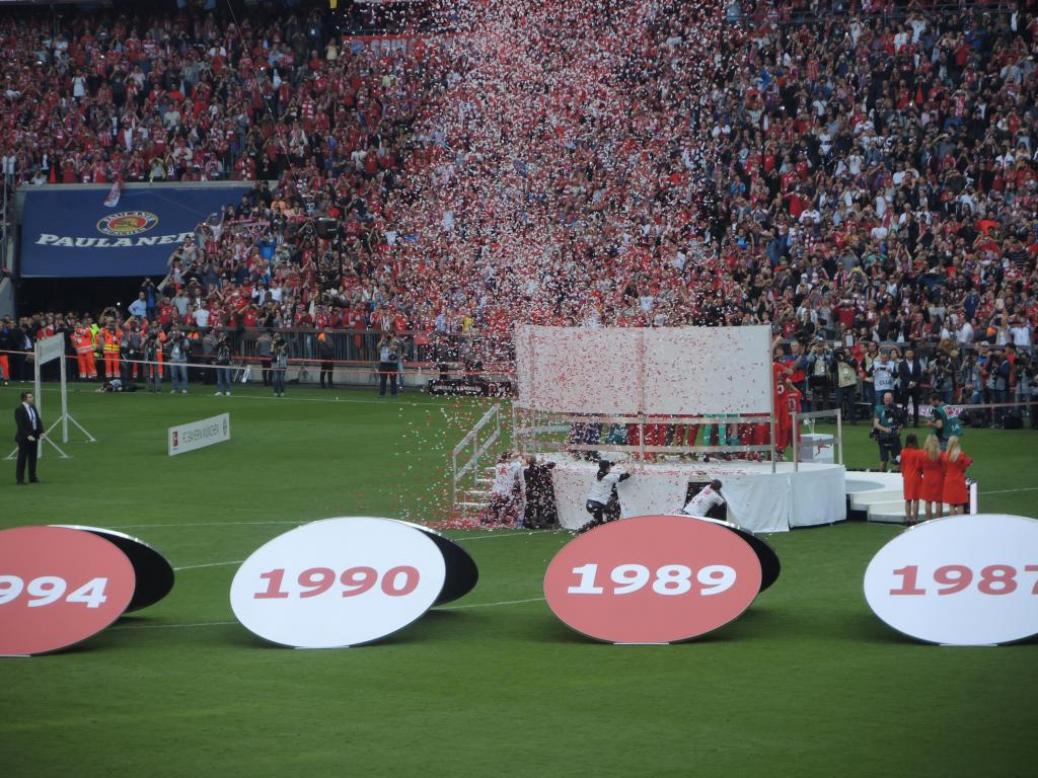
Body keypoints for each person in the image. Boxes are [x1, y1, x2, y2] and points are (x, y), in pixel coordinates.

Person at [579, 459, 631, 533]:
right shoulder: (609, 477)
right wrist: (631, 468)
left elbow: (608, 465)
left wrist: (616, 461)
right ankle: (583, 531)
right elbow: (626, 476)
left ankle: (582, 531)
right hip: (597, 505)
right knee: (600, 523)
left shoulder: (599, 473)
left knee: (598, 522)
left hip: (589, 503)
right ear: (607, 468)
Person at [14, 391, 44, 485]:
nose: (32, 398)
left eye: (32, 397)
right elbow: (20, 425)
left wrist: (41, 432)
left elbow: (37, 420)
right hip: (24, 438)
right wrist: (27, 435)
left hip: (34, 436)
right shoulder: (19, 410)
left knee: (33, 457)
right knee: (22, 458)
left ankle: (32, 477)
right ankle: (20, 479)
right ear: (24, 399)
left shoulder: (33, 407)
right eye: (30, 397)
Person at [523, 456, 559, 529]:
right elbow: (552, 464)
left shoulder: (526, 471)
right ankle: (536, 522)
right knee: (536, 506)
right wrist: (542, 464)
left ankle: (528, 522)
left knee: (529, 506)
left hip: (529, 490)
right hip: (536, 490)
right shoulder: (539, 469)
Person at [940, 436, 973, 516]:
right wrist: (962, 469)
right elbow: (970, 462)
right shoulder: (961, 455)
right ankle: (960, 522)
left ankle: (952, 522)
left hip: (949, 480)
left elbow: (944, 468)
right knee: (960, 503)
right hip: (959, 480)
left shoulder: (945, 455)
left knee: (951, 504)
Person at [872, 391, 903, 472]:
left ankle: (897, 477)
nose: (887, 400)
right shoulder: (879, 408)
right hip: (883, 437)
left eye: (889, 399)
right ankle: (882, 476)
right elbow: (876, 424)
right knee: (884, 460)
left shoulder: (897, 408)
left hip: (894, 437)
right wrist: (885, 429)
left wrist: (899, 430)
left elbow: (901, 422)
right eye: (886, 399)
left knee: (899, 460)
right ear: (883, 399)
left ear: (892, 399)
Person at [919, 434, 945, 522]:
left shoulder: (923, 454)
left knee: (928, 501)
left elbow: (920, 467)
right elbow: (944, 466)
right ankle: (938, 520)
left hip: (927, 479)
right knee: (939, 501)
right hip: (939, 479)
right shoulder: (941, 454)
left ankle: (928, 520)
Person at [899, 434, 923, 525]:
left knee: (908, 499)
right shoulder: (919, 452)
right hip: (916, 477)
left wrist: (904, 474)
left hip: (907, 477)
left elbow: (902, 465)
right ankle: (915, 519)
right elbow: (920, 466)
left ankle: (908, 518)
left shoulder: (903, 451)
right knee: (915, 499)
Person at [214, 331, 233, 396]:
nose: (221, 337)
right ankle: (220, 391)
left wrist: (224, 343)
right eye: (220, 335)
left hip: (226, 362)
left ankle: (228, 390)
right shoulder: (218, 342)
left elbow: (230, 350)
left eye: (222, 335)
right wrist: (220, 342)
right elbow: (215, 348)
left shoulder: (228, 342)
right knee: (219, 378)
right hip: (219, 362)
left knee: (227, 378)